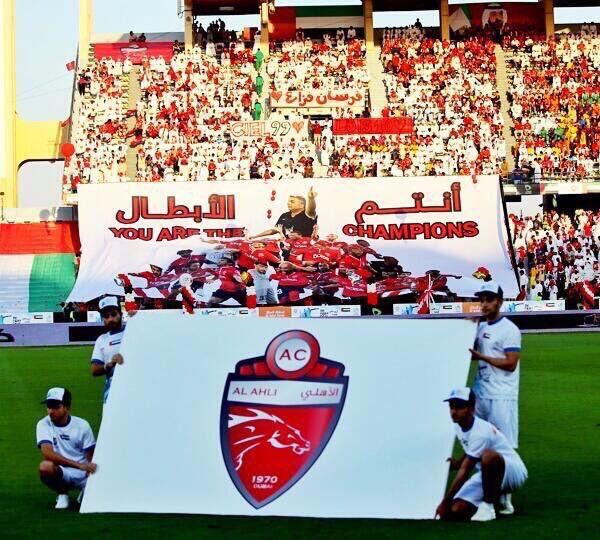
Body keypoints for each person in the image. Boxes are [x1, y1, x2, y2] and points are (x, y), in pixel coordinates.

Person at [435, 387, 527, 522]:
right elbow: (471, 448)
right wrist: (458, 463)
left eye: (459, 407)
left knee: (489, 456)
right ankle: (494, 496)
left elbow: (465, 471)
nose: (454, 412)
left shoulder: (480, 432)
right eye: (451, 407)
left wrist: (445, 501)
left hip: (512, 471)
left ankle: (488, 506)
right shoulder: (458, 424)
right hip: (487, 473)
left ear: (472, 409)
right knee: (455, 510)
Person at [469, 281, 522, 514]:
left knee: (504, 445)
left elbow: (511, 363)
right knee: (480, 443)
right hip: (481, 393)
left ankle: (505, 498)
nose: (484, 304)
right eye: (481, 300)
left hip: (502, 395)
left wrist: (482, 357)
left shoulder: (509, 329)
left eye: (489, 299)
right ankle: (486, 492)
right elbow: (474, 355)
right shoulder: (480, 327)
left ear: (499, 302)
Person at [36, 387, 97, 509]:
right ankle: (62, 494)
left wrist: (89, 473)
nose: (50, 411)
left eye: (55, 407)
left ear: (67, 407)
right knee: (45, 467)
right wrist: (79, 465)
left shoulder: (82, 425)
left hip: (84, 473)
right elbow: (47, 453)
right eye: (49, 406)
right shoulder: (43, 424)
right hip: (63, 472)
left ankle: (86, 490)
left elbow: (91, 456)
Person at [91, 297, 125, 410]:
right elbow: (94, 370)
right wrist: (109, 365)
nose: (110, 319)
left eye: (113, 314)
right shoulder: (102, 340)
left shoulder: (132, 331)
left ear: (121, 314)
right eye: (106, 316)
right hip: (113, 386)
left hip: (136, 382)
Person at [251, 188, 317, 239]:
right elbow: (273, 230)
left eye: (292, 202)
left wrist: (311, 199)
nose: (288, 203)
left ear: (302, 205)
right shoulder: (284, 215)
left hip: (305, 249)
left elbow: (312, 208)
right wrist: (255, 236)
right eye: (288, 201)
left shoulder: (308, 215)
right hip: (287, 248)